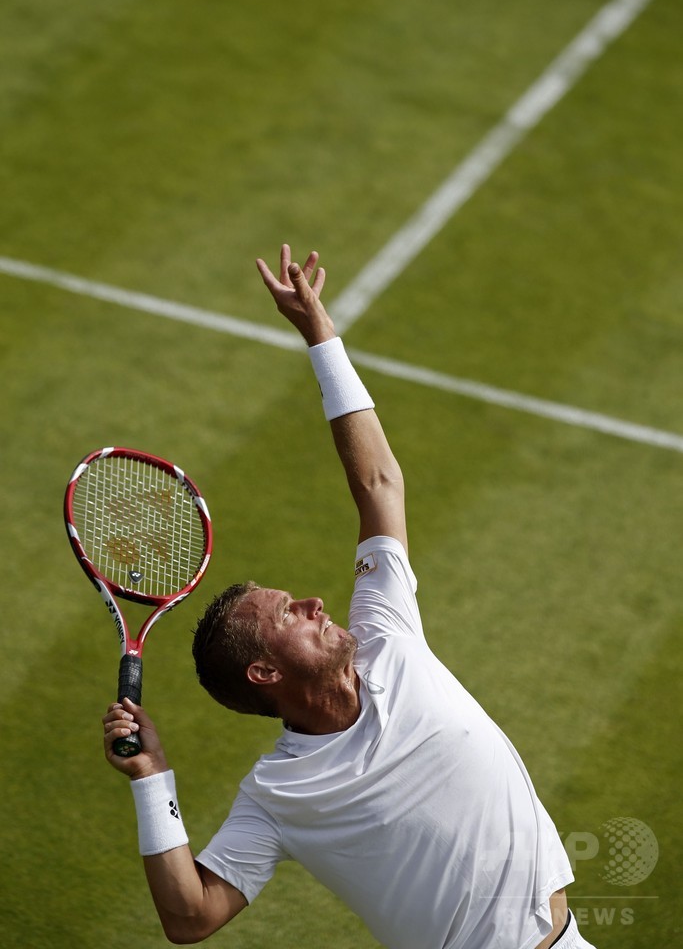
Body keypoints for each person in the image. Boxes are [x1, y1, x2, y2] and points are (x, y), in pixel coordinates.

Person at [103, 245, 596, 949]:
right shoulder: (277, 795)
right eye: (288, 614)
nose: (314, 602)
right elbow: (190, 917)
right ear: (265, 672)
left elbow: (378, 486)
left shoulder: (386, 633)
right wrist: (151, 778)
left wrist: (320, 336)